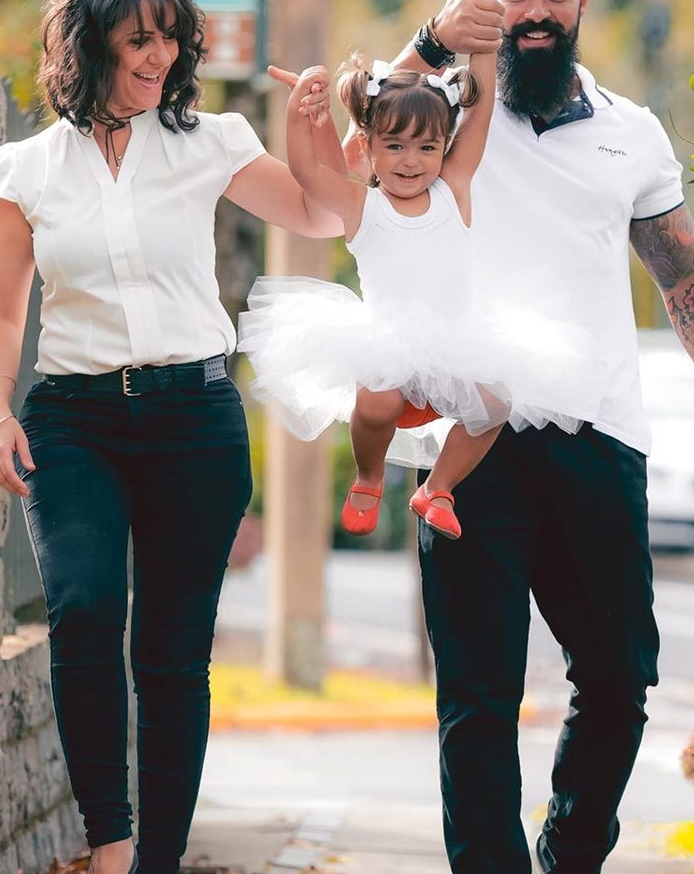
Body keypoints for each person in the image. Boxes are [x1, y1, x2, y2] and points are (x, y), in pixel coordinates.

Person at [375, 0, 694, 874]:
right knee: (476, 691)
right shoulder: (445, 110)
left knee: (621, 677)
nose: (536, 14)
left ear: (582, 3)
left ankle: (575, 852)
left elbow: (685, 276)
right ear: (490, 2)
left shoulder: (633, 133)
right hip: (472, 445)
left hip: (599, 436)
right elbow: (361, 127)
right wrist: (427, 39)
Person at [0, 0, 342, 874]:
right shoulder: (27, 168)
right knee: (86, 611)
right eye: (140, 38)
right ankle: (109, 844)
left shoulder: (211, 139)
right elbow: (4, 309)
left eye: (172, 38)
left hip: (193, 420)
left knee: (173, 652)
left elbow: (323, 207)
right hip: (75, 419)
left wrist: (315, 128)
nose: (159, 56)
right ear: (89, 40)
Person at [238, 51, 598, 540]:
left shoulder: (454, 188)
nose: (412, 160)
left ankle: (438, 488)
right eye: (395, 145)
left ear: (445, 147)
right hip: (387, 342)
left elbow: (482, 111)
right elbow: (305, 172)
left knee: (496, 402)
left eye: (427, 148)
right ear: (367, 147)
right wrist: (299, 109)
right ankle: (368, 477)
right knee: (378, 403)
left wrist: (485, 51)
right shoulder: (360, 204)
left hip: (455, 342)